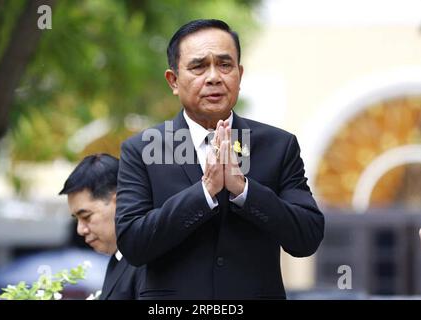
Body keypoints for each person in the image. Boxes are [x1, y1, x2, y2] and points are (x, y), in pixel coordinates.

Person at [116, 19, 324, 299]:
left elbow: (307, 238)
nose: (214, 77)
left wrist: (244, 191)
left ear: (239, 74)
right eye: (198, 66)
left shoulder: (278, 146)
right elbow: (133, 244)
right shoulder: (142, 150)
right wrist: (205, 192)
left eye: (225, 65)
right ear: (173, 80)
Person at [59, 153, 143, 300]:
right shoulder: (119, 259)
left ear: (121, 202)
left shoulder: (148, 263)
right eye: (77, 219)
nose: (80, 230)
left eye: (86, 217)